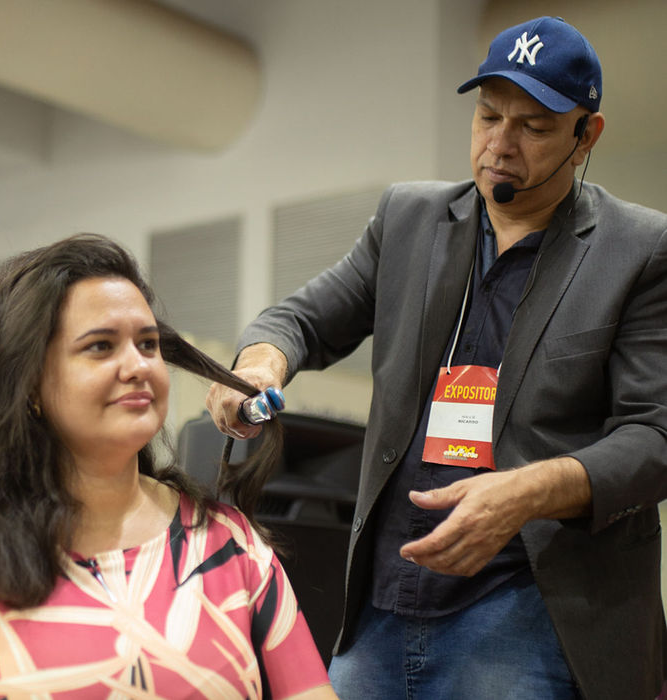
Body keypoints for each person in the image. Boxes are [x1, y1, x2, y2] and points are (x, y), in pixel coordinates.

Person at [206, 16, 667, 700]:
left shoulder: (639, 249)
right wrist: (258, 366)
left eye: (534, 127)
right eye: (488, 117)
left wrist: (526, 492)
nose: (499, 145)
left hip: (531, 611)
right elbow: (298, 319)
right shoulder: (408, 219)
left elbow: (654, 437)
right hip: (385, 604)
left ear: (585, 136)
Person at [0, 233, 337, 699]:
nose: (138, 366)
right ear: (28, 383)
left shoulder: (232, 545)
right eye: (100, 347)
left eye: (148, 344)